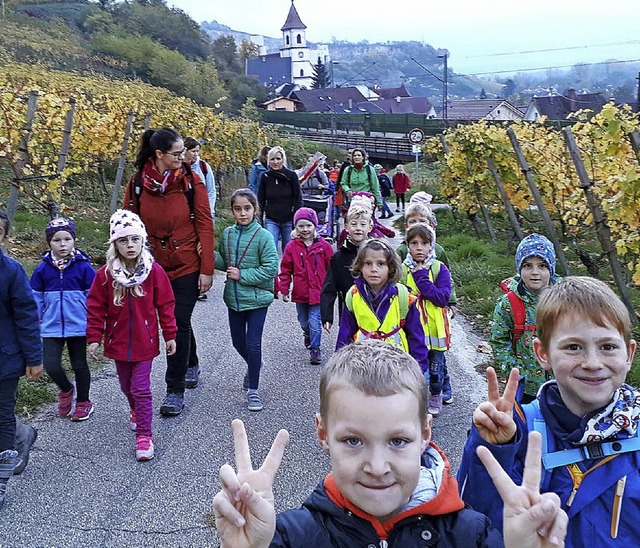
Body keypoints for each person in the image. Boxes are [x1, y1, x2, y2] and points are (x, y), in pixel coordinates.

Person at [212, 339, 568, 548]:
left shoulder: (470, 535)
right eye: (353, 440)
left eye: (397, 441)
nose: (377, 467)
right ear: (323, 435)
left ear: (426, 433)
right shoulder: (292, 537)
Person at [458, 276, 638, 546]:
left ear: (629, 354)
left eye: (608, 347)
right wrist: (494, 448)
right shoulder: (520, 431)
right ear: (542, 354)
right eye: (573, 347)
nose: (592, 363)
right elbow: (477, 526)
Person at [124, 127, 214, 416]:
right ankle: (191, 361)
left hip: (187, 262)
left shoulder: (190, 181)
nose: (182, 157)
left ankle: (174, 390)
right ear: (159, 154)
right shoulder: (138, 183)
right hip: (154, 266)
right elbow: (129, 225)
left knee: (177, 320)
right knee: (175, 322)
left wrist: (207, 269)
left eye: (183, 152)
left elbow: (204, 224)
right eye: (176, 153)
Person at [86, 210, 177, 461]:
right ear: (115, 244)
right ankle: (135, 411)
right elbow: (95, 307)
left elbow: (166, 304)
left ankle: (145, 436)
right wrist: (94, 337)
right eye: (124, 240)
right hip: (118, 342)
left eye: (135, 240)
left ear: (142, 241)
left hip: (144, 342)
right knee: (126, 386)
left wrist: (170, 334)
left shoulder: (153, 271)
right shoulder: (105, 275)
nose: (130, 245)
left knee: (140, 387)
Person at [215, 189, 278, 412]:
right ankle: (255, 364)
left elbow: (271, 268)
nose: (243, 213)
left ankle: (253, 389)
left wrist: (243, 275)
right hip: (234, 299)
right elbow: (224, 262)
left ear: (255, 209)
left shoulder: (264, 236)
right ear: (232, 211)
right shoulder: (228, 234)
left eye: (247, 208)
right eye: (238, 209)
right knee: (237, 342)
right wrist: (207, 255)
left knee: (253, 343)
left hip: (258, 299)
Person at [29, 218, 96, 421]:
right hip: (50, 327)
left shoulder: (83, 268)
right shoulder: (43, 269)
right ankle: (66, 389)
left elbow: (94, 298)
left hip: (78, 325)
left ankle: (84, 402)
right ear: (49, 242)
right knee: (51, 364)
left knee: (79, 364)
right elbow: (35, 298)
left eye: (67, 239)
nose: (63, 244)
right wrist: (35, 320)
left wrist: (95, 323)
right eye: (57, 240)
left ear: (74, 240)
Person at [0, 210, 43, 510]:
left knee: (1, 416)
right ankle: (23, 433)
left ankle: (0, 481)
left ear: (3, 237)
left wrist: (34, 357)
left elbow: (27, 316)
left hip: (4, 360)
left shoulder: (11, 271)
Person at [336, 239, 430, 375]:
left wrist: (419, 369)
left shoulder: (404, 297)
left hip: (397, 366)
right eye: (368, 264)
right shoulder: (353, 295)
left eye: (380, 264)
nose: (373, 269)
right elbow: (345, 335)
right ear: (360, 267)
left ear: (390, 268)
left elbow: (416, 337)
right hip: (362, 364)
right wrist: (340, 365)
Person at [491, 233, 560, 402]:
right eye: (528, 266)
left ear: (551, 268)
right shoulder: (509, 304)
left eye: (542, 266)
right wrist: (514, 371)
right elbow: (499, 340)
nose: (535, 272)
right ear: (519, 269)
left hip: (561, 382)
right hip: (525, 385)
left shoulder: (566, 300)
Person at [400, 223, 452, 417]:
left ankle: (436, 394)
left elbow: (441, 298)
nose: (419, 248)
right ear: (407, 246)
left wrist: (422, 278)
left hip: (434, 329)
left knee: (436, 369)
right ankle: (416, 399)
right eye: (414, 243)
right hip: (413, 329)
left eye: (424, 243)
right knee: (414, 367)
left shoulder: (438, 269)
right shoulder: (403, 269)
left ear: (432, 245)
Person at [276, 207, 333, 365]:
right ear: (296, 228)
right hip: (301, 292)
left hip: (319, 292)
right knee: (303, 321)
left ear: (315, 226)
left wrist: (333, 289)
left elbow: (332, 269)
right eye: (301, 226)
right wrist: (284, 289)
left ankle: (315, 348)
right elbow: (286, 270)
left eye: (308, 225)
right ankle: (307, 334)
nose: (305, 229)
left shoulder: (323, 246)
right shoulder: (292, 247)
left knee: (315, 320)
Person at [321, 198, 373, 332]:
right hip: (349, 312)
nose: (358, 229)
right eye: (354, 224)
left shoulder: (377, 253)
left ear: (370, 227)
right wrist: (327, 316)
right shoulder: (338, 257)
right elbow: (329, 287)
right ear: (346, 227)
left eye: (363, 224)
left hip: (374, 311)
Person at [257, 146, 303, 254]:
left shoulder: (291, 176)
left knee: (288, 250)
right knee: (270, 248)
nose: (275, 162)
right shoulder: (265, 177)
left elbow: (298, 198)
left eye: (278, 159)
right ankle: (271, 270)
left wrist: (296, 218)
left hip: (288, 219)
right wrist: (259, 217)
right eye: (272, 159)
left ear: (283, 160)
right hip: (271, 219)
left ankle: (287, 271)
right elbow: (261, 199)